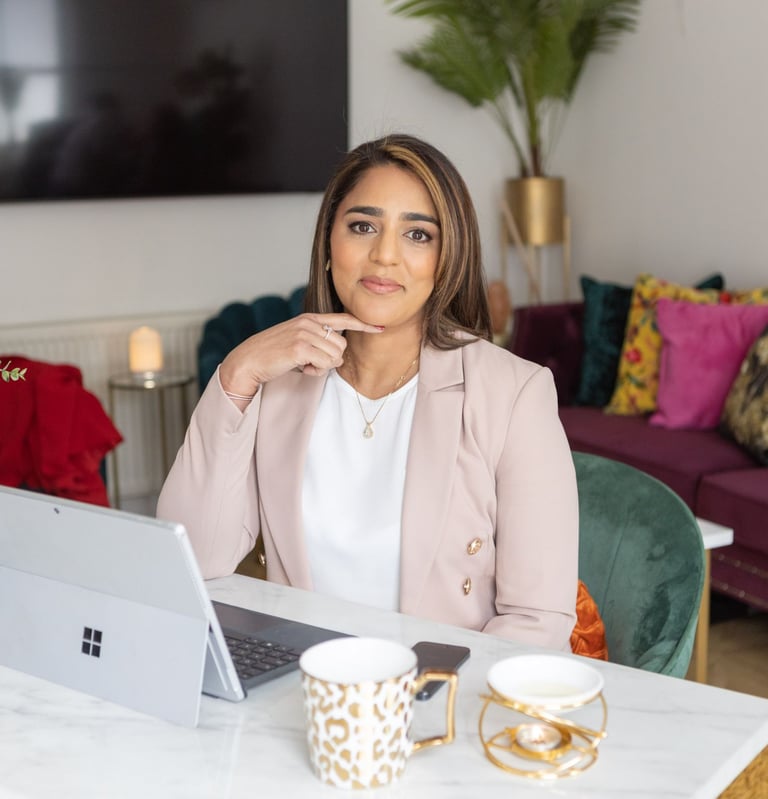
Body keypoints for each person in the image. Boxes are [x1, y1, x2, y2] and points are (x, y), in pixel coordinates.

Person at [157, 133, 579, 652]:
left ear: (448, 257)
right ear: (328, 245)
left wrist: (419, 694)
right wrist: (237, 373)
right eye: (363, 226)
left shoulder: (515, 394)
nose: (384, 256)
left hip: (444, 690)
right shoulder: (277, 384)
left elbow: (537, 621)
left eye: (417, 235)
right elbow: (191, 561)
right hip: (302, 679)